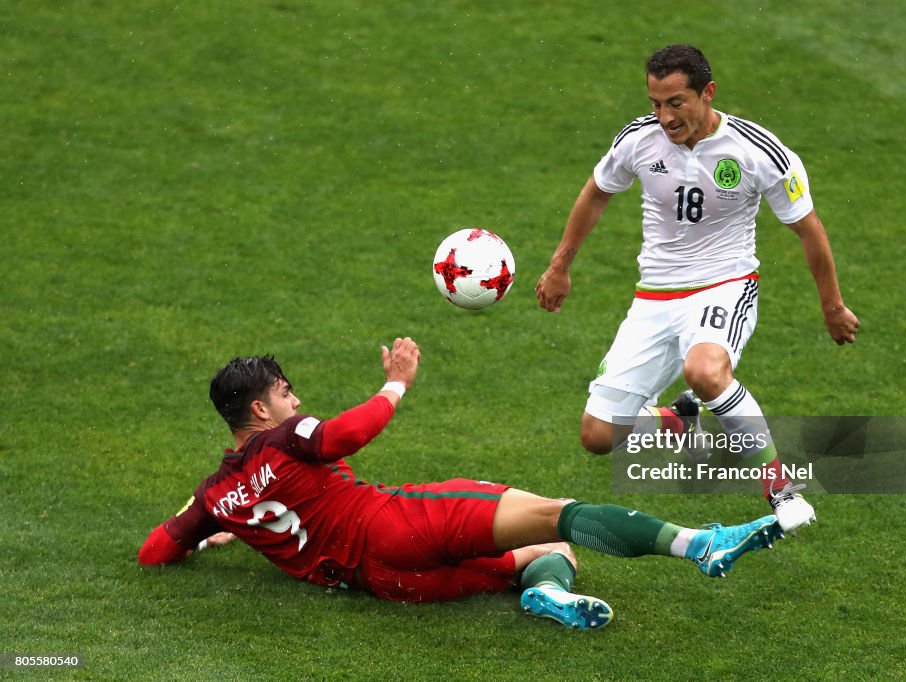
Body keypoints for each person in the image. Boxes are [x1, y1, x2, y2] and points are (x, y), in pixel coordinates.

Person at [139, 338, 786, 630]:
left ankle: (548, 599)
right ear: (259, 410)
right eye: (284, 392)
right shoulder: (283, 437)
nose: (295, 397)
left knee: (550, 556)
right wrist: (397, 381)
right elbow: (341, 437)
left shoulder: (211, 496)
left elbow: (154, 552)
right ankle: (701, 544)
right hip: (395, 525)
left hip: (384, 585)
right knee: (559, 515)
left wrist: (204, 538)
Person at [535, 44, 860, 533]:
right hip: (653, 297)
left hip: (723, 284)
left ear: (707, 93)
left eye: (676, 102)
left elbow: (808, 228)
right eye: (655, 103)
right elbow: (597, 192)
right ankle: (677, 420)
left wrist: (832, 306)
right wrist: (560, 266)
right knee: (598, 436)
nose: (664, 116)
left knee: (705, 371)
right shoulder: (639, 140)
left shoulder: (758, 151)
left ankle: (780, 487)